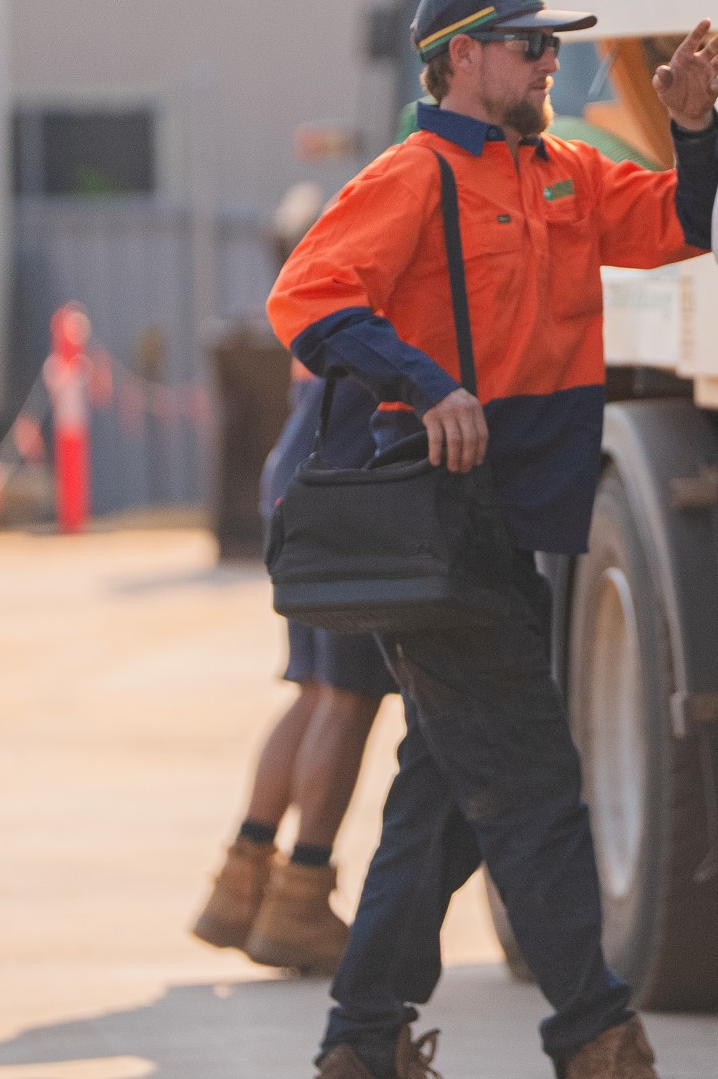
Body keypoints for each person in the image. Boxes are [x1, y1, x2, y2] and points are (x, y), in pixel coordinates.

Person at [267, 0, 718, 1079]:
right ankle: (594, 1034)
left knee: (444, 797)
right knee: (530, 781)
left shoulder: (564, 173)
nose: (549, 60)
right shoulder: (411, 175)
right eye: (529, 44)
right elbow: (308, 297)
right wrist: (427, 384)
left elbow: (684, 223)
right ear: (462, 58)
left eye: (549, 43)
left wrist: (691, 128)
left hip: (515, 520)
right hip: (437, 525)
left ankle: (362, 1037)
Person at [191, 200, 400, 974]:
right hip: (342, 494)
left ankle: (240, 883)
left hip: (297, 484)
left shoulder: (317, 282)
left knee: (313, 689)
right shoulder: (377, 275)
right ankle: (302, 897)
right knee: (346, 699)